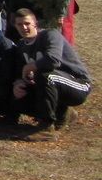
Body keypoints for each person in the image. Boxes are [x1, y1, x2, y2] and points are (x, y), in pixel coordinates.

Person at [12, 9, 91, 141]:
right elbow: (21, 72)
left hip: (78, 83)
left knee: (47, 76)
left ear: (35, 24)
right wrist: (19, 83)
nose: (24, 27)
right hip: (51, 83)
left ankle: (46, 128)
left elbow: (53, 60)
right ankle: (63, 113)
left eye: (27, 23)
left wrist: (31, 66)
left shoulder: (50, 34)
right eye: (19, 24)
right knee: (20, 97)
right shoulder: (21, 45)